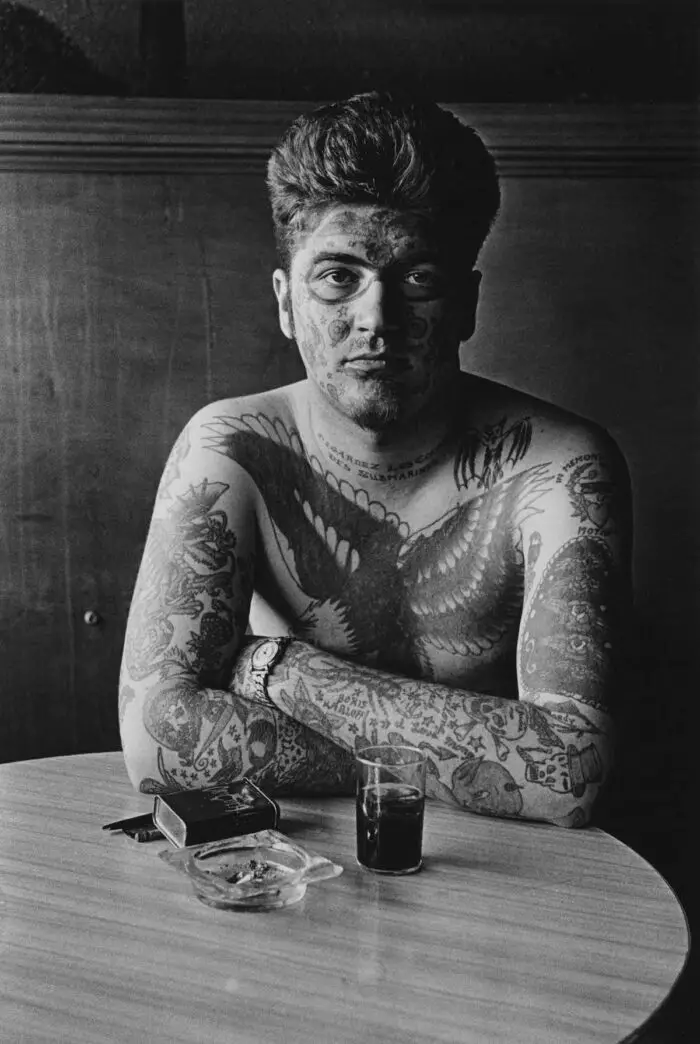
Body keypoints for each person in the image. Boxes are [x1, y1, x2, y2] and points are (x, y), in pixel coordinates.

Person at [119, 92, 631, 828]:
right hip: (301, 864)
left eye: (419, 278)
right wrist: (459, 760)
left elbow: (571, 774)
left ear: (465, 306)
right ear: (287, 301)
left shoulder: (558, 469)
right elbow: (155, 745)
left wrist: (275, 670)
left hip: (506, 874)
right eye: (337, 277)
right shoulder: (230, 448)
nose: (376, 319)